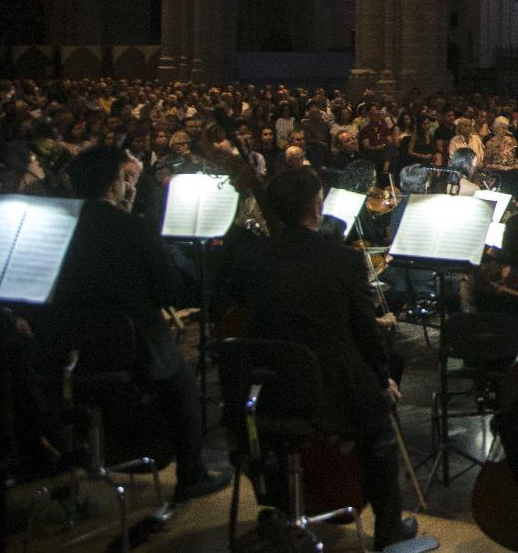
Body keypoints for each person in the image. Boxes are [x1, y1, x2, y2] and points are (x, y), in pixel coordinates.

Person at [233, 168, 419, 550]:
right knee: (380, 424)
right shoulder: (343, 261)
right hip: (328, 389)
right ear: (316, 209)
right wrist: (384, 378)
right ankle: (388, 528)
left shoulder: (249, 257)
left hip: (263, 387)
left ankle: (280, 505)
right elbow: (367, 333)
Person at [51, 147, 229, 504]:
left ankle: (68, 462)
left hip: (65, 349)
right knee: (183, 383)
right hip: (130, 345)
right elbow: (170, 291)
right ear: (117, 181)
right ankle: (191, 474)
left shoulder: (58, 223)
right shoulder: (134, 227)